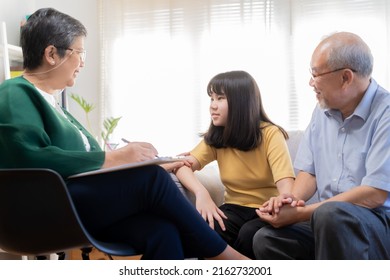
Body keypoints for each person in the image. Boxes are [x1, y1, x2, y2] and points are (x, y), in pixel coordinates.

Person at [0, 7, 249, 260]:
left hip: (76, 205)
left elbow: (87, 166)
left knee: (162, 232)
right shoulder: (15, 92)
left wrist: (132, 166)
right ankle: (230, 259)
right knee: (152, 179)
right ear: (52, 54)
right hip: (50, 209)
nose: (83, 62)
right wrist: (116, 158)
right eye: (80, 52)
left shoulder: (57, 107)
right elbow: (28, 157)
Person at [253, 32, 390, 259]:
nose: (311, 82)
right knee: (267, 239)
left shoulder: (385, 113)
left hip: (377, 222)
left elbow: (374, 194)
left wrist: (302, 213)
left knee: (330, 215)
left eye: (315, 74)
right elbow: (309, 172)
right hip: (327, 220)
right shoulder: (322, 111)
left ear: (346, 78)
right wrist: (291, 202)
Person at [174, 70, 295, 259]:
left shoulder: (271, 134)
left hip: (266, 209)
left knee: (249, 235)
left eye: (220, 98)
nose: (212, 106)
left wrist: (282, 202)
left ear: (241, 102)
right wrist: (201, 193)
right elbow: (181, 166)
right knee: (207, 229)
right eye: (211, 98)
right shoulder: (217, 136)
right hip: (233, 208)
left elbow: (286, 187)